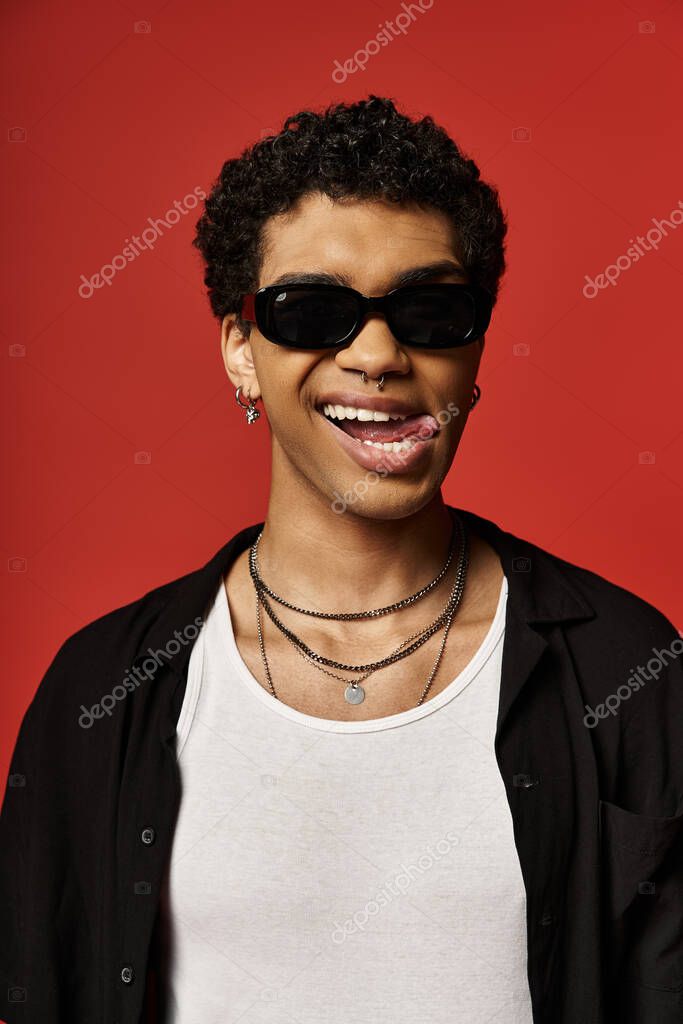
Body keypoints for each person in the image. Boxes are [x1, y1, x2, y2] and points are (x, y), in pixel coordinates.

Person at [1, 95, 682, 1024]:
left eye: (430, 310)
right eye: (313, 309)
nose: (376, 353)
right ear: (240, 351)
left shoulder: (625, 670)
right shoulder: (101, 690)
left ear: (474, 350)